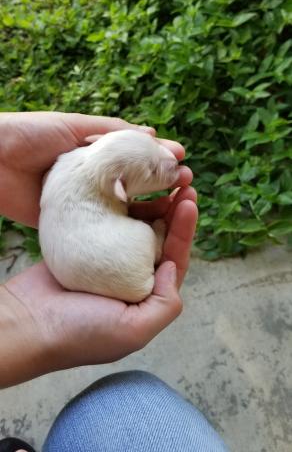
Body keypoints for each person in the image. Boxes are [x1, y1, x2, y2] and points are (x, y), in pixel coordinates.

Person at [0, 112, 229, 452]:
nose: (167, 162)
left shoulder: (80, 166)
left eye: (152, 149)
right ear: (119, 189)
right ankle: (150, 243)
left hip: (90, 262)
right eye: (153, 170)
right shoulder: (93, 171)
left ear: (95, 142)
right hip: (116, 262)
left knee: (130, 402)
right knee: (133, 403)